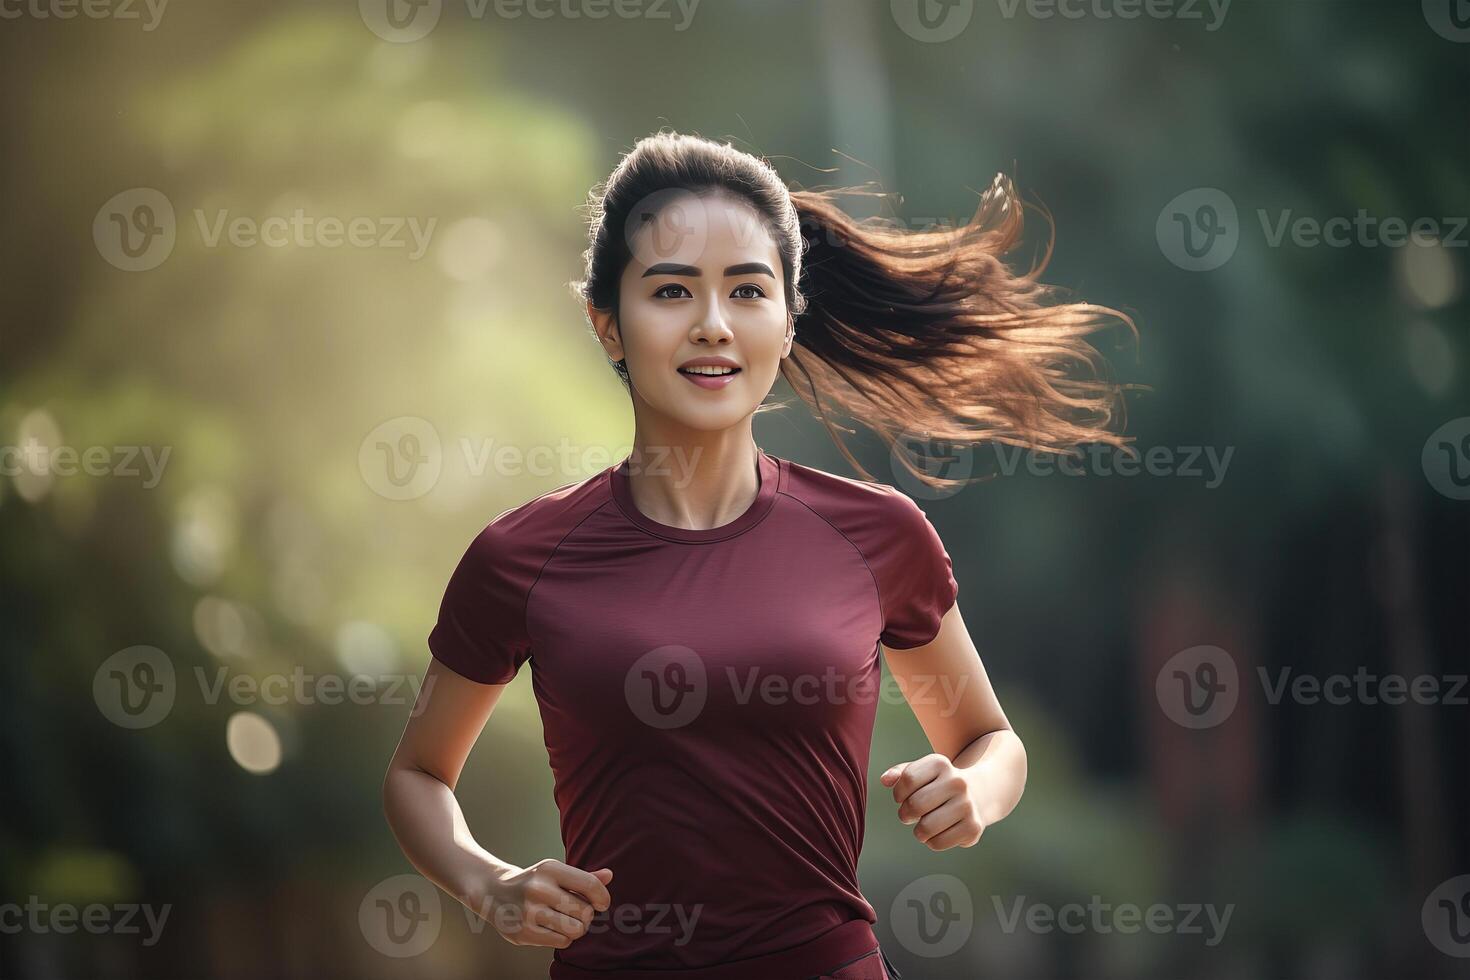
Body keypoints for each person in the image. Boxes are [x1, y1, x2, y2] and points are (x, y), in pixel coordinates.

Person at [383, 131, 1134, 979]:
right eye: (671, 291)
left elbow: (990, 740)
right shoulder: (522, 556)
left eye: (747, 291)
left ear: (785, 323)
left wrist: (973, 792)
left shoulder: (878, 535)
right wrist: (492, 886)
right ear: (608, 325)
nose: (712, 325)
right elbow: (416, 774)